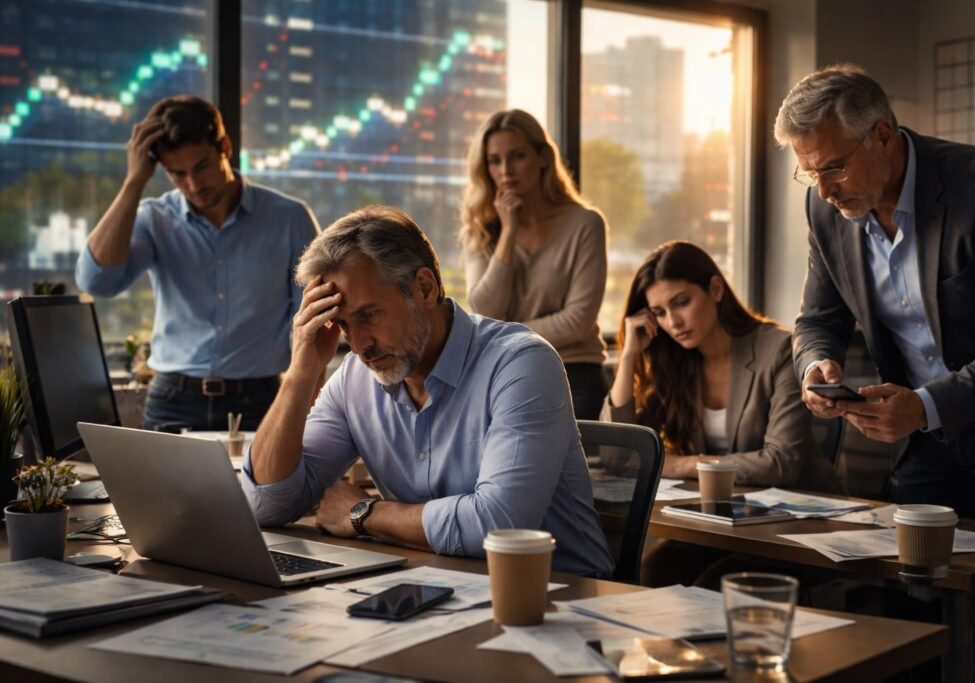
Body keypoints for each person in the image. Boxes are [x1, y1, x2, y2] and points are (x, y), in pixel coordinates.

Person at [775, 64, 975, 677]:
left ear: (883, 136)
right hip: (926, 439)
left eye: (833, 165)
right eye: (809, 170)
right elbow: (815, 322)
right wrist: (817, 366)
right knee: (913, 610)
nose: (824, 188)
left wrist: (926, 403)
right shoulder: (824, 210)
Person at [242, 205, 614, 577]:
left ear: (424, 287)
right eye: (342, 325)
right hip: (440, 588)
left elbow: (500, 525)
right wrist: (300, 373)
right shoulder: (354, 377)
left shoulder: (520, 364)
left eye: (368, 315)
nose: (358, 346)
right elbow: (266, 505)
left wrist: (365, 514)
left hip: (558, 598)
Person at [75, 95, 320, 432]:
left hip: (262, 402)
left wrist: (309, 412)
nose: (194, 185)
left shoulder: (290, 218)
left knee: (261, 488)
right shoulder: (154, 218)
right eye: (177, 173)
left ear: (225, 147)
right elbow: (96, 281)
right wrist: (134, 182)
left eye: (202, 166)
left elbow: (312, 323)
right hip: (172, 401)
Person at [603, 241, 838, 491]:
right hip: (721, 509)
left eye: (682, 302)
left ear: (715, 289)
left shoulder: (780, 350)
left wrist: (683, 465)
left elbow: (779, 464)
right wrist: (629, 356)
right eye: (659, 312)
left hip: (807, 512)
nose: (673, 322)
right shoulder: (675, 362)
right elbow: (615, 456)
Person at [460, 109, 609, 420]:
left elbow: (578, 320)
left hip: (573, 374)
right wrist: (509, 233)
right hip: (503, 371)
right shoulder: (481, 228)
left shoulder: (584, 224)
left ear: (543, 157)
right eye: (494, 160)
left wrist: (500, 335)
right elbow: (485, 311)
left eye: (517, 156)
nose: (506, 170)